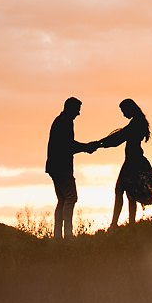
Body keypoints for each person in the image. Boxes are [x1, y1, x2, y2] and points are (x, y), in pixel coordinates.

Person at [96, 98, 152, 228]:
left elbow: (119, 137)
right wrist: (100, 143)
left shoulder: (136, 123)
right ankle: (130, 224)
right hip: (135, 160)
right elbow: (119, 136)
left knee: (120, 190)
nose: (123, 114)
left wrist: (99, 143)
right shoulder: (138, 121)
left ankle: (114, 224)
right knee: (131, 192)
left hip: (133, 161)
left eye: (123, 111)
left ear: (129, 109)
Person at [45, 96, 99, 239]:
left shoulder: (60, 121)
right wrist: (86, 147)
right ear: (71, 108)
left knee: (62, 199)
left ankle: (58, 236)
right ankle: (68, 235)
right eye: (77, 110)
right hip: (61, 167)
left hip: (54, 167)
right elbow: (68, 146)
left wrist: (85, 147)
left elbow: (68, 145)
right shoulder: (65, 122)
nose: (78, 114)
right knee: (71, 198)